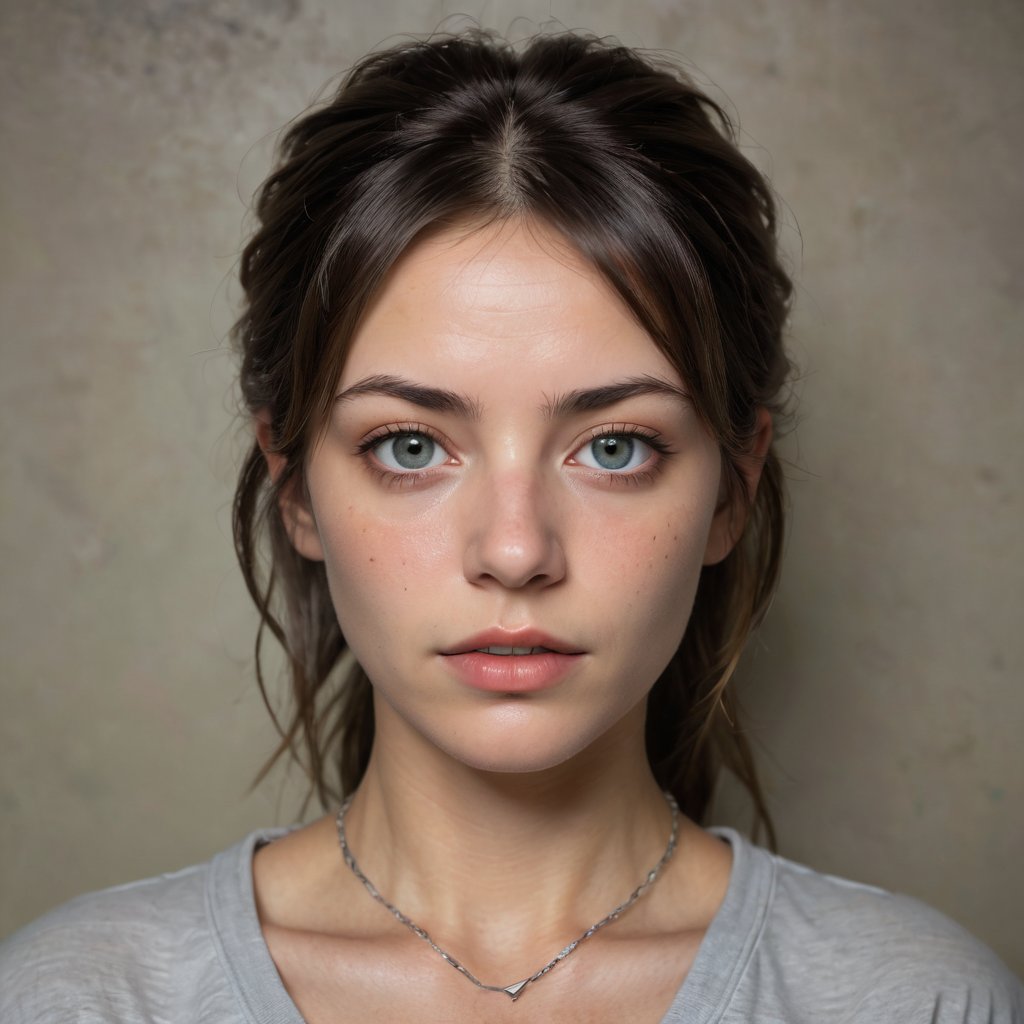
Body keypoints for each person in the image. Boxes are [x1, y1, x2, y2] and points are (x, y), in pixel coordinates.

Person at [1, 27, 1020, 1024]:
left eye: (614, 447)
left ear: (731, 490)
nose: (516, 551)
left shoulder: (918, 999)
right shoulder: (81, 998)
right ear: (295, 487)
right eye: (409, 446)